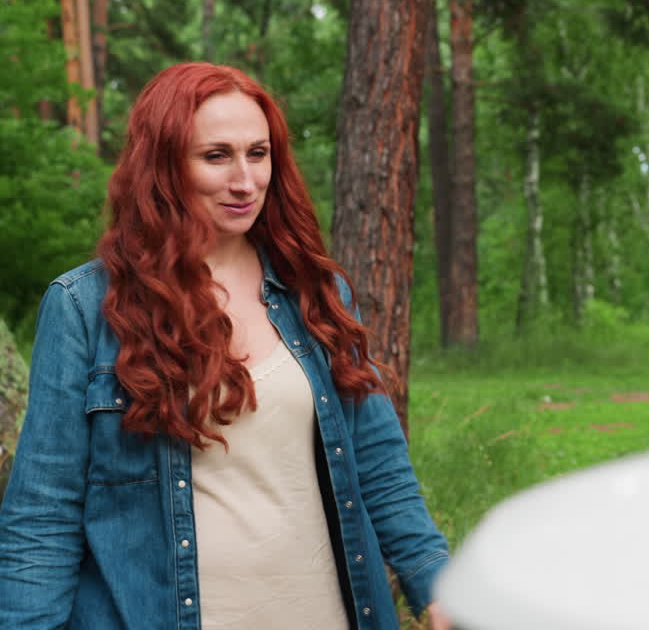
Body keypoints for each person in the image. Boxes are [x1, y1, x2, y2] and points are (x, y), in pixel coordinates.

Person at [0, 63, 451, 630]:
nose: (245, 181)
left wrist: (437, 586)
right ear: (163, 166)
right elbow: (42, 516)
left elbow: (380, 465)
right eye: (216, 156)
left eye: (257, 154)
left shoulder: (315, 292)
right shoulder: (85, 308)